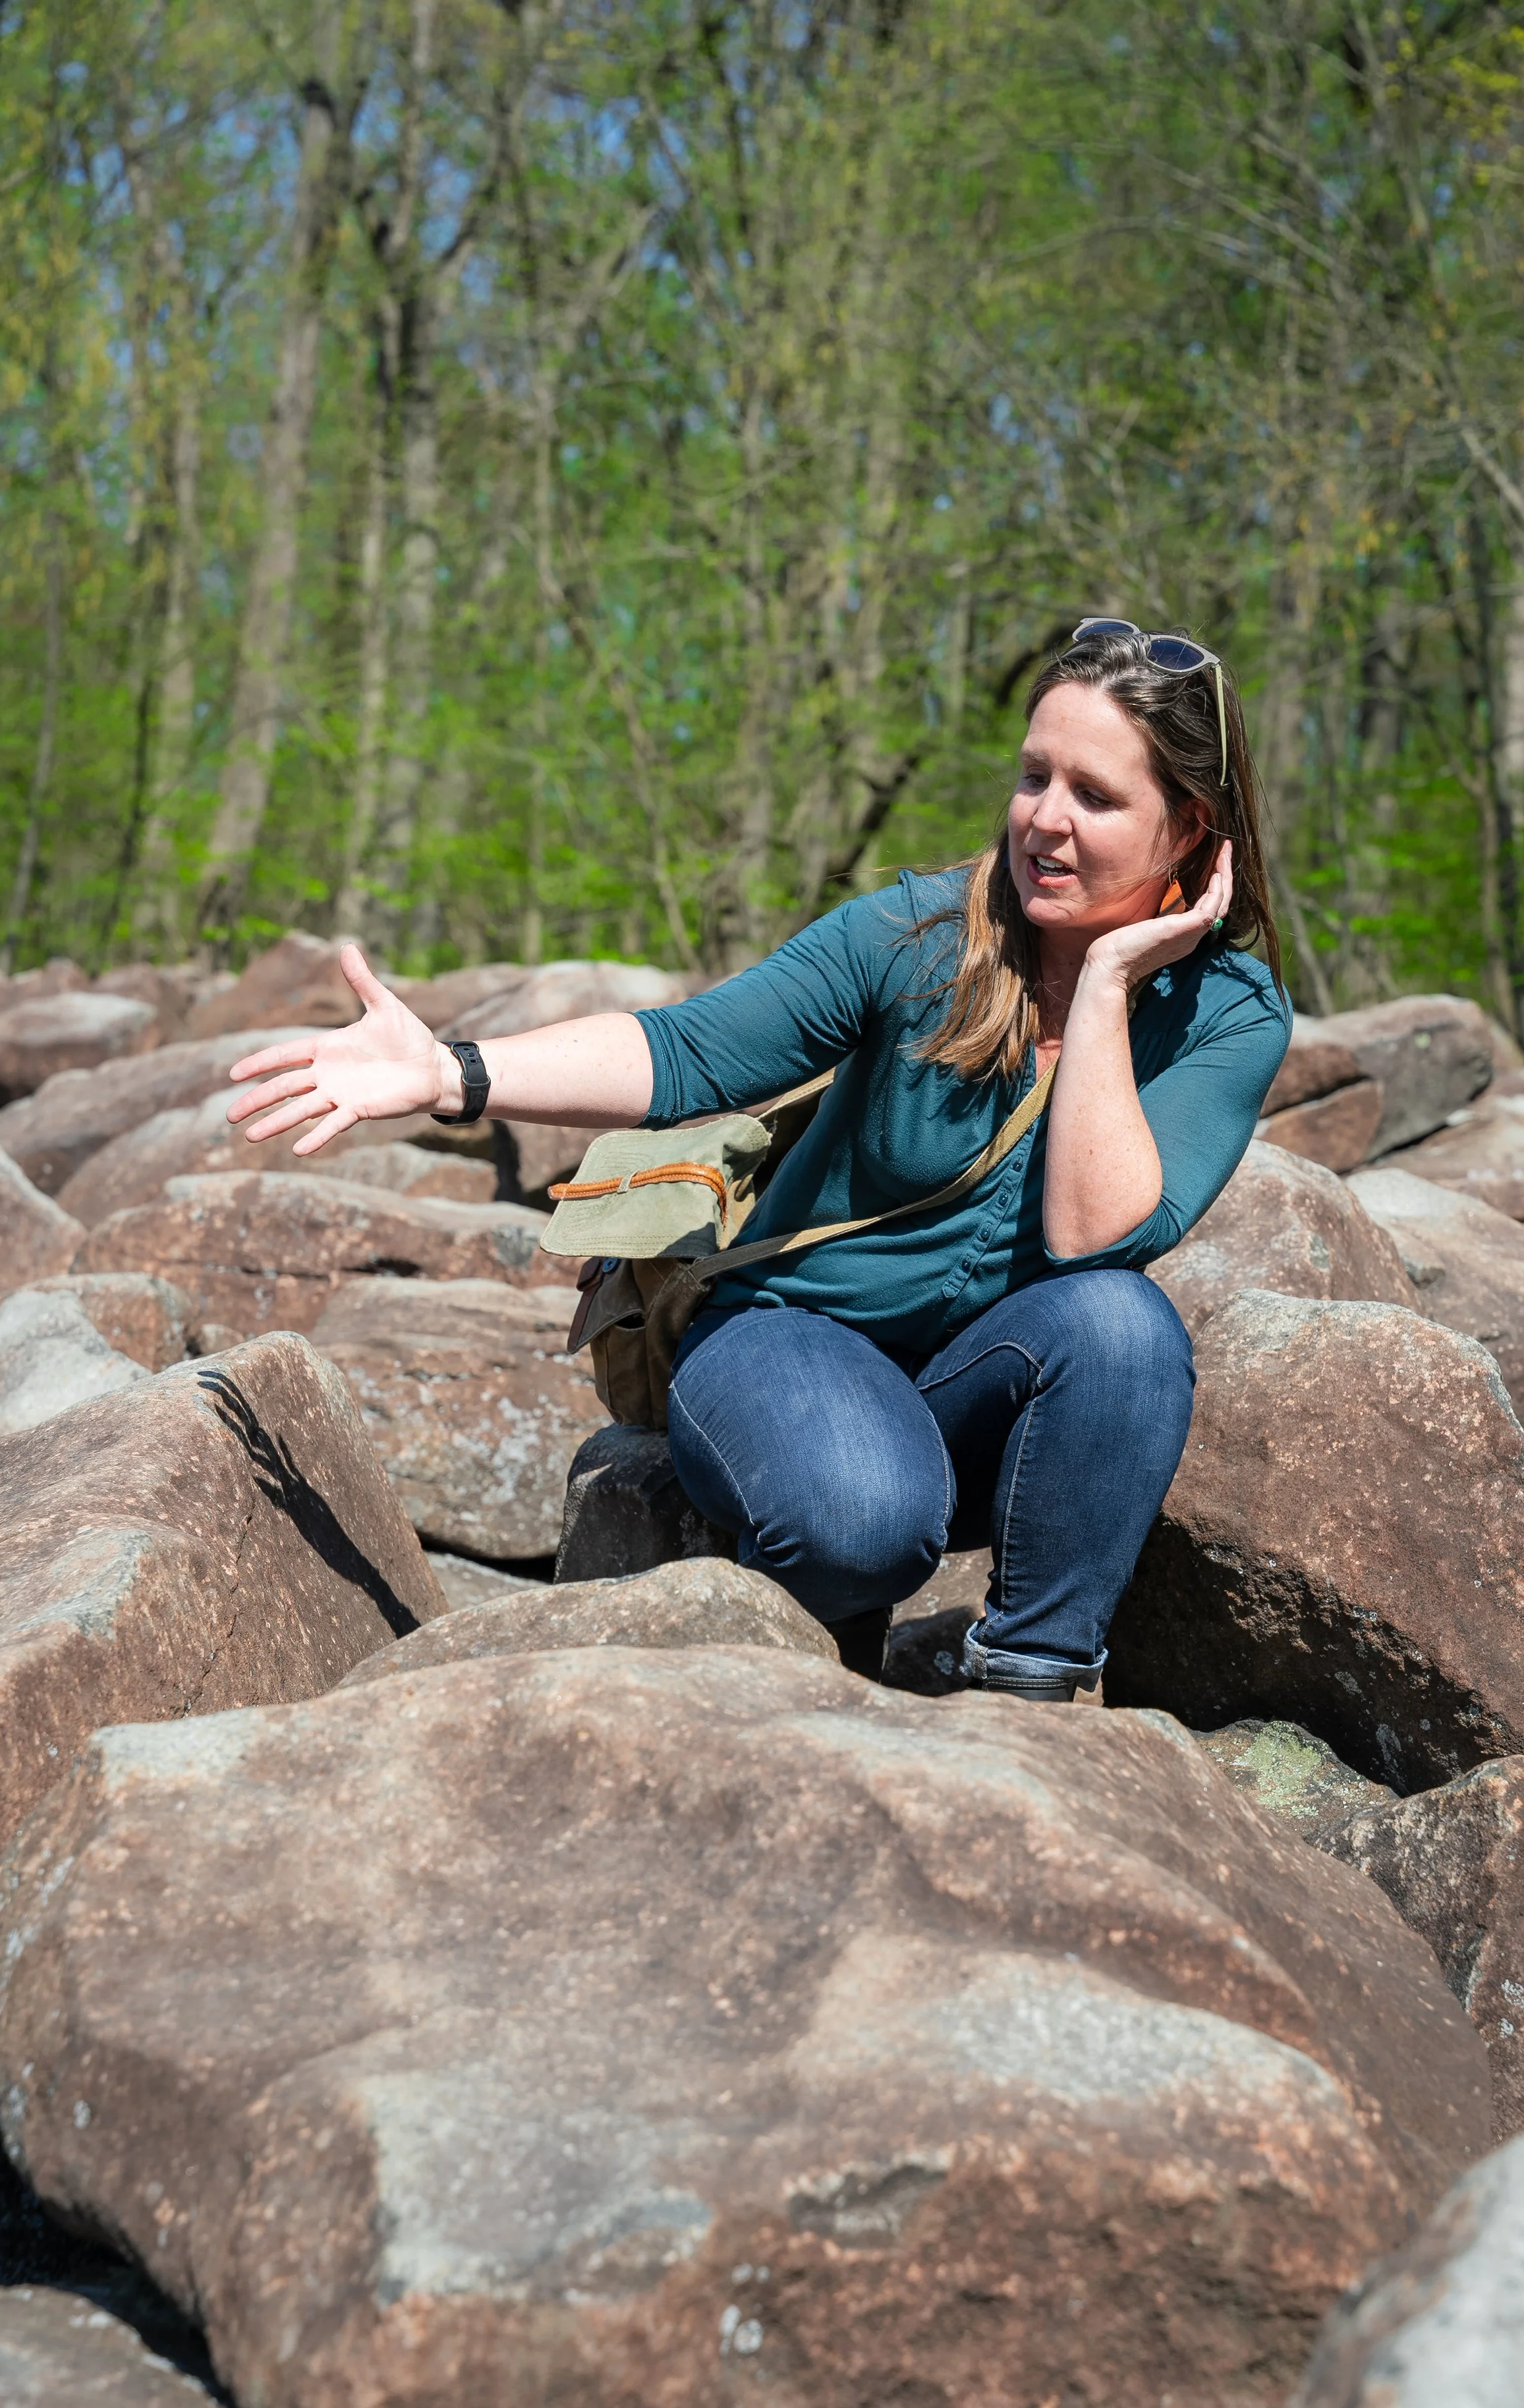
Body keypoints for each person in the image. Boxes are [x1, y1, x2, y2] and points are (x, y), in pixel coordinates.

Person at [227, 622, 1290, 1701]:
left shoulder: (1229, 1016)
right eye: (1032, 777)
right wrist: (452, 1071)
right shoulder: (916, 936)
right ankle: (797, 1675)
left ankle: (1026, 1689)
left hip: (978, 1405)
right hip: (791, 1343)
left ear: (1189, 826)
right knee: (865, 1519)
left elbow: (1092, 1235)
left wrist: (1106, 980)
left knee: (1123, 1327)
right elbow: (689, 1050)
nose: (1043, 820)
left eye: (1095, 797)